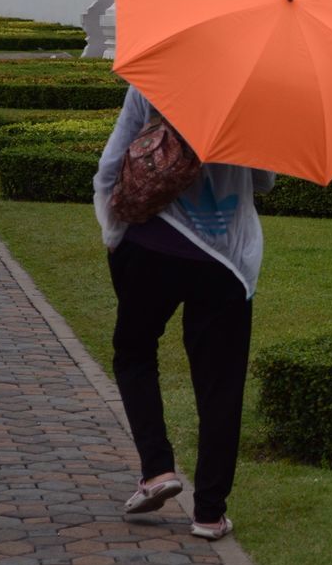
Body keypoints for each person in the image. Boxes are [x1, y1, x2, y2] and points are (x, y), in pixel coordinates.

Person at [94, 85, 276, 541]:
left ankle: (157, 470)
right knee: (221, 384)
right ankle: (209, 515)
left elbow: (110, 167)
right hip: (224, 259)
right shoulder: (252, 93)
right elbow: (263, 181)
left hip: (150, 247)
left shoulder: (152, 81)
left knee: (134, 354)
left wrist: (114, 235)